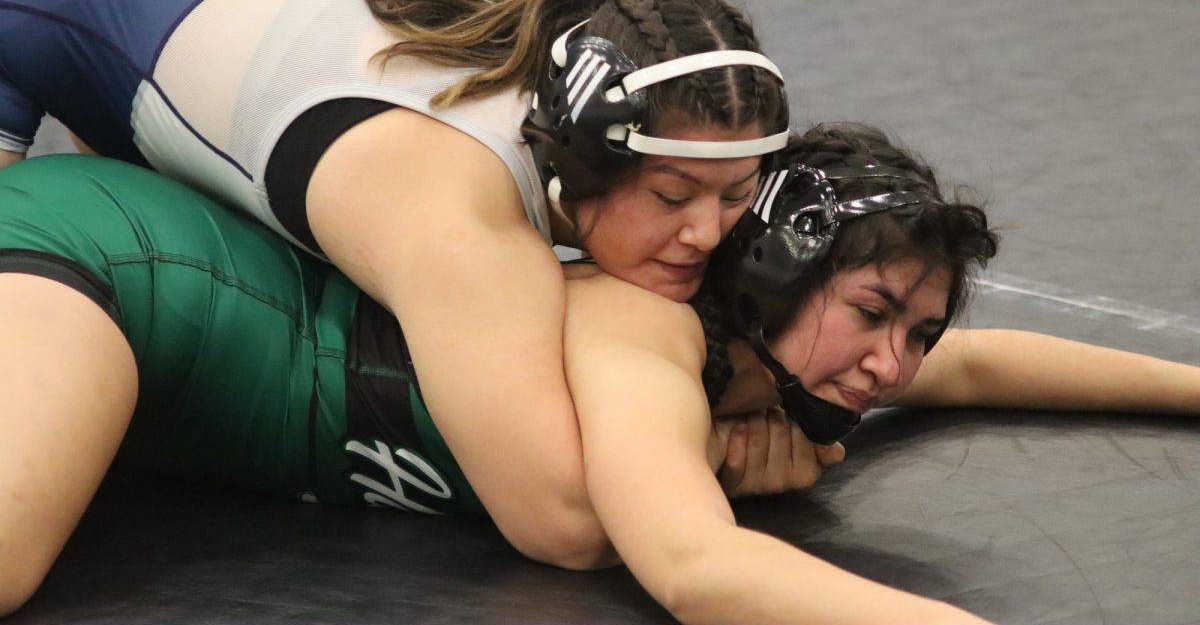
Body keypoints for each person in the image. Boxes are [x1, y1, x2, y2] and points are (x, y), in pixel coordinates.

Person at [4, 125, 1199, 621]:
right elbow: (693, 565)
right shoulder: (643, 329)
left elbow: (984, 366)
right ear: (777, 275)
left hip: (150, 346)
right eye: (877, 314)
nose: (894, 365)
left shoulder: (790, 352)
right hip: (125, 271)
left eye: (918, 333)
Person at [0, 0, 795, 564]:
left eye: (734, 197)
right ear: (585, 162)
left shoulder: (631, 73)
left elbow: (874, 265)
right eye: (673, 199)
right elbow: (565, 521)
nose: (707, 234)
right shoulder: (457, 209)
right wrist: (718, 456)